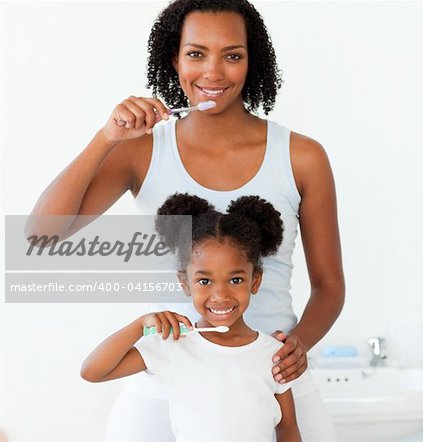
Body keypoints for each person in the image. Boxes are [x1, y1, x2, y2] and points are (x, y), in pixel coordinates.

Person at [26, 0, 345, 440]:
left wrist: (298, 346)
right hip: (165, 384)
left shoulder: (302, 156)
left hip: (271, 379)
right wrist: (106, 139)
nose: (213, 73)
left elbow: (329, 285)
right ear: (173, 59)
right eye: (196, 54)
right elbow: (40, 236)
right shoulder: (141, 150)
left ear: (252, 62)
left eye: (232, 55)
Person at [81, 193, 302, 442]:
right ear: (185, 283)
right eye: (204, 281)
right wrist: (140, 325)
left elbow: (288, 428)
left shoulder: (273, 353)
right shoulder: (173, 345)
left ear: (256, 280)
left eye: (235, 280)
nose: (220, 295)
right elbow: (93, 371)